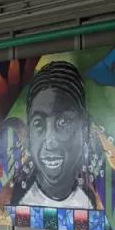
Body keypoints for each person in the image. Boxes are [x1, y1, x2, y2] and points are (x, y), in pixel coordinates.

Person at [16, 61, 97, 209]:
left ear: (84, 129)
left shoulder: (92, 205)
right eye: (38, 124)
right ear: (28, 135)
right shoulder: (19, 204)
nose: (50, 142)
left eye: (63, 122)